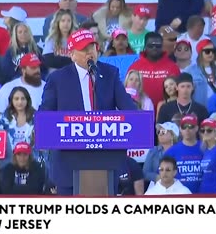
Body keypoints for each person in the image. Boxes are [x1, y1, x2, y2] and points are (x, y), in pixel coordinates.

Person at [39, 29, 137, 195]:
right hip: (68, 163)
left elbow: (128, 107)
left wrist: (140, 122)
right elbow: (45, 114)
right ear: (72, 55)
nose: (89, 53)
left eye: (92, 48)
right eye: (84, 49)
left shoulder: (109, 74)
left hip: (105, 160)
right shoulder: (57, 79)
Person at [128, 32, 181, 108]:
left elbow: (178, 91)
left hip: (166, 111)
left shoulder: (173, 67)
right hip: (141, 111)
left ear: (162, 46)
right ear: (145, 46)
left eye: (158, 46)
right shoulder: (135, 67)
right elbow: (128, 90)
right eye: (151, 46)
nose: (154, 48)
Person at [163, 115, 203, 193]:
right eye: (184, 127)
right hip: (179, 196)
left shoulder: (205, 148)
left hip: (203, 195)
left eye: (190, 126)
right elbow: (162, 175)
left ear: (196, 128)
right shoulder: (171, 151)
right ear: (180, 129)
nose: (187, 129)